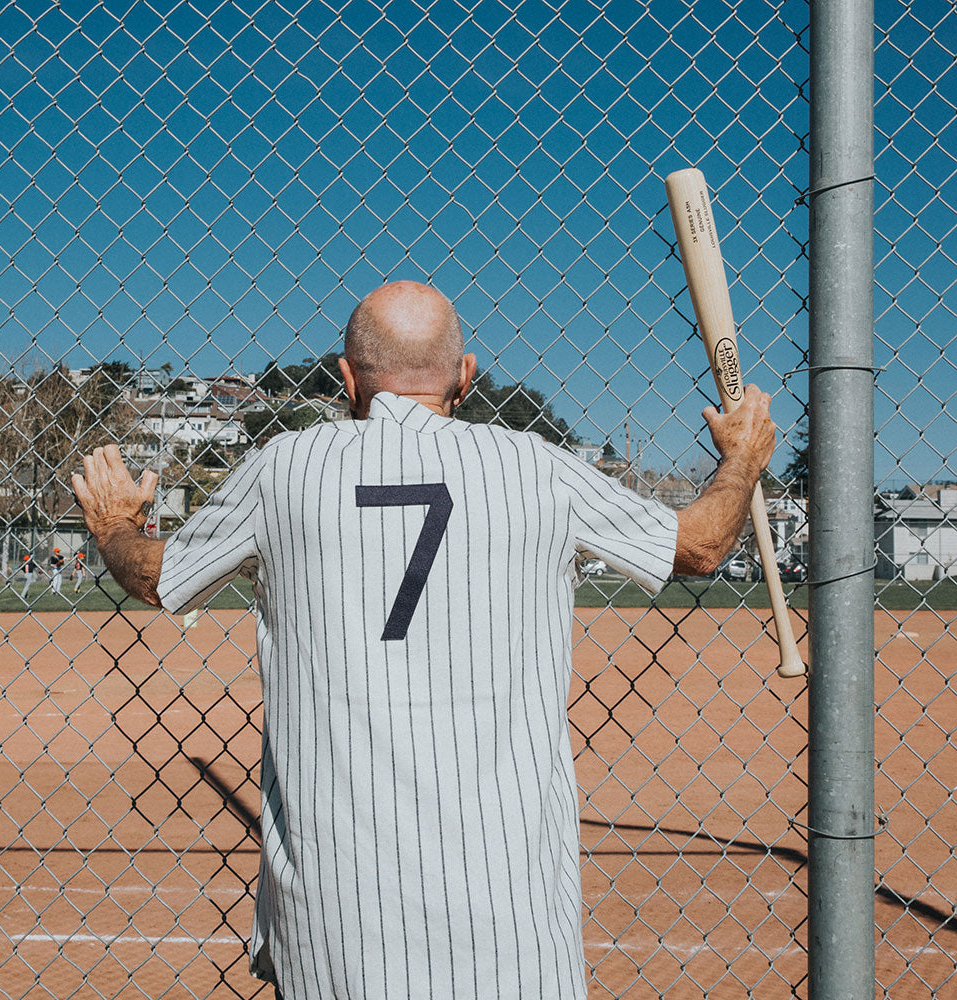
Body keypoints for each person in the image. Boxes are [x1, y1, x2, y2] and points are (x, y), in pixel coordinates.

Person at [72, 280, 775, 1000]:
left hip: (337, 924)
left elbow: (157, 579)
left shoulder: (283, 468)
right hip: (512, 920)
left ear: (347, 378)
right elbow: (699, 546)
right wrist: (743, 458)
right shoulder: (538, 468)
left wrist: (115, 525)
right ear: (466, 377)